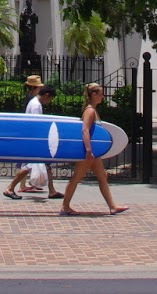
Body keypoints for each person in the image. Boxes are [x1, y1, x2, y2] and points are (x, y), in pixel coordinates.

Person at [59, 83, 127, 216]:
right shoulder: (90, 111)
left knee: (102, 176)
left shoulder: (92, 110)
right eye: (100, 94)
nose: (103, 96)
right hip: (89, 152)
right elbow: (85, 130)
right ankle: (65, 206)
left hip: (94, 152)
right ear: (94, 94)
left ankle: (112, 206)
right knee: (77, 177)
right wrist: (88, 150)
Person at [4, 75, 54, 200]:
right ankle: (10, 187)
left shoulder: (33, 102)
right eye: (50, 99)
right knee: (28, 166)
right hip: (33, 140)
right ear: (47, 95)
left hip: (31, 139)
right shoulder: (36, 105)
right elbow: (35, 124)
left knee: (45, 164)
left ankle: (52, 190)